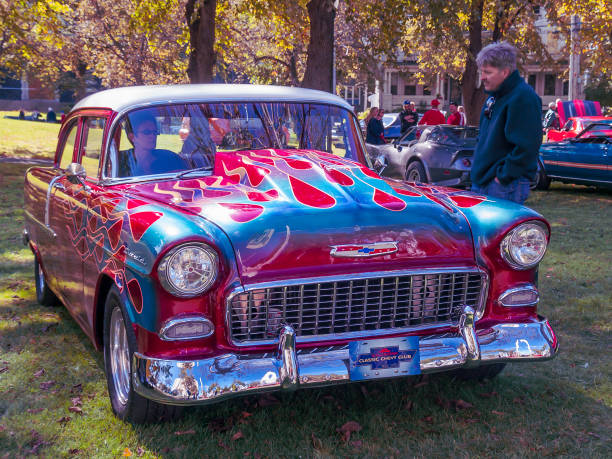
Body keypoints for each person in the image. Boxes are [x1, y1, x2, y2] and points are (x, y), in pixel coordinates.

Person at [470, 42, 542, 204]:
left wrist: (502, 177)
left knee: (498, 230)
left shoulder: (523, 98)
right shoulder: (494, 97)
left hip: (505, 186)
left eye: (488, 72)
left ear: (505, 72)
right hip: (483, 182)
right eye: (482, 72)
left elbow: (527, 146)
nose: (482, 77)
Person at [117, 111, 188, 177]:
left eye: (155, 132)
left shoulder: (171, 159)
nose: (152, 136)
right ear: (132, 137)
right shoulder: (121, 161)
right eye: (147, 132)